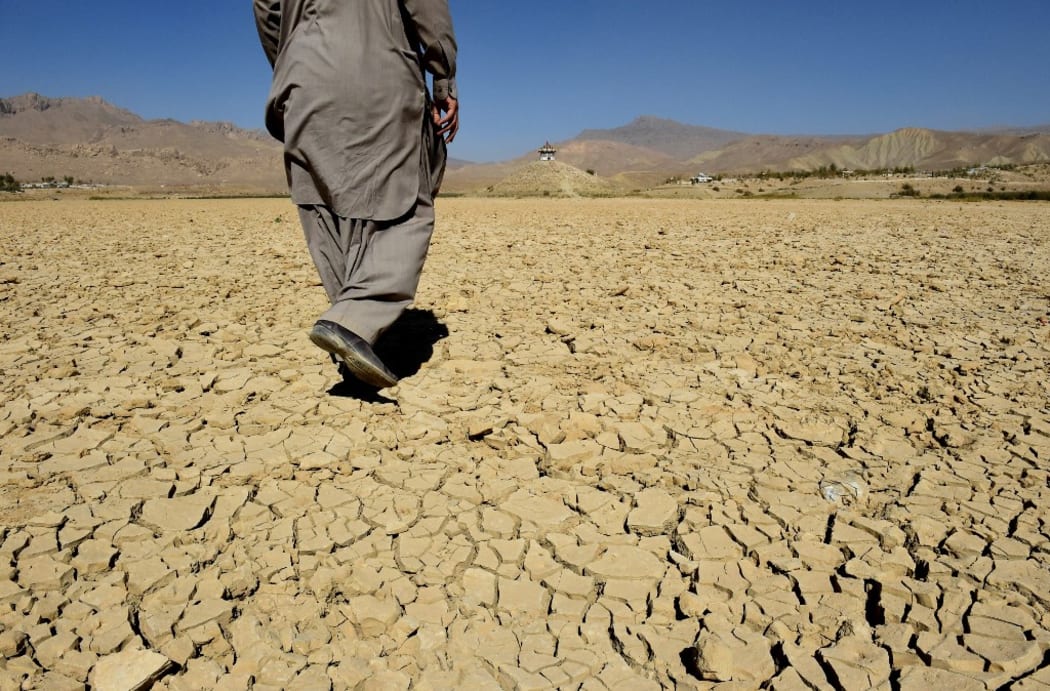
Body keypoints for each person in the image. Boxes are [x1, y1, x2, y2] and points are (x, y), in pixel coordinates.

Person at [254, 0, 459, 388]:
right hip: (379, 74)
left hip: (302, 80)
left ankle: (352, 329)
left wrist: (294, 57)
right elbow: (427, 8)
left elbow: (266, 9)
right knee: (409, 206)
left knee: (324, 204)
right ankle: (355, 321)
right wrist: (443, 78)